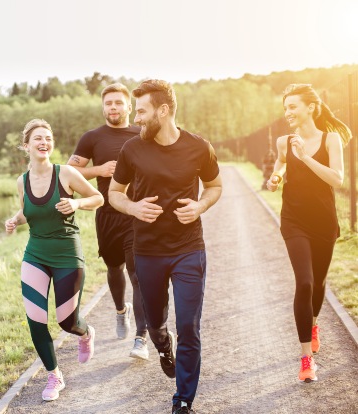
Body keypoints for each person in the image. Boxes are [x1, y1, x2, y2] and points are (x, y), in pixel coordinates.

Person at [108, 79, 222, 414]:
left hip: (189, 248)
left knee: (189, 325)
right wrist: (133, 207)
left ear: (163, 110)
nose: (137, 118)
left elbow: (215, 186)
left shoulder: (199, 147)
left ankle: (183, 400)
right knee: (157, 322)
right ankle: (161, 342)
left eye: (141, 111)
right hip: (148, 251)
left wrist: (201, 206)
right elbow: (115, 194)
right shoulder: (132, 149)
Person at [5, 118, 104, 402]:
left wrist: (76, 203)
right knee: (36, 319)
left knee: (66, 320)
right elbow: (29, 212)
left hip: (67, 256)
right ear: (26, 145)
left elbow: (98, 198)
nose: (44, 142)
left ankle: (85, 333)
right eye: (37, 138)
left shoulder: (67, 174)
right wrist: (15, 220)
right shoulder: (21, 181)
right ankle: (54, 375)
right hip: (35, 254)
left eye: (48, 138)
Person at [266, 83, 352, 383]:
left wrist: (306, 157)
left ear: (310, 108)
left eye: (293, 106)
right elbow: (280, 164)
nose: (287, 112)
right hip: (294, 220)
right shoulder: (283, 142)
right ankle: (306, 359)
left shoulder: (331, 140)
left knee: (318, 283)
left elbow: (338, 179)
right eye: (285, 107)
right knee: (304, 283)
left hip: (324, 221)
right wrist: (275, 177)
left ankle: (314, 323)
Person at [67, 82, 150, 359]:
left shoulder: (143, 132)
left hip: (135, 214)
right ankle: (120, 311)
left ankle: (141, 338)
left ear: (129, 106)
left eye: (118, 103)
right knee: (114, 268)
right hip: (107, 215)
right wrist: (99, 169)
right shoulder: (92, 137)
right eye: (108, 103)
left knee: (137, 274)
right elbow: (69, 172)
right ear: (104, 108)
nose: (113, 107)